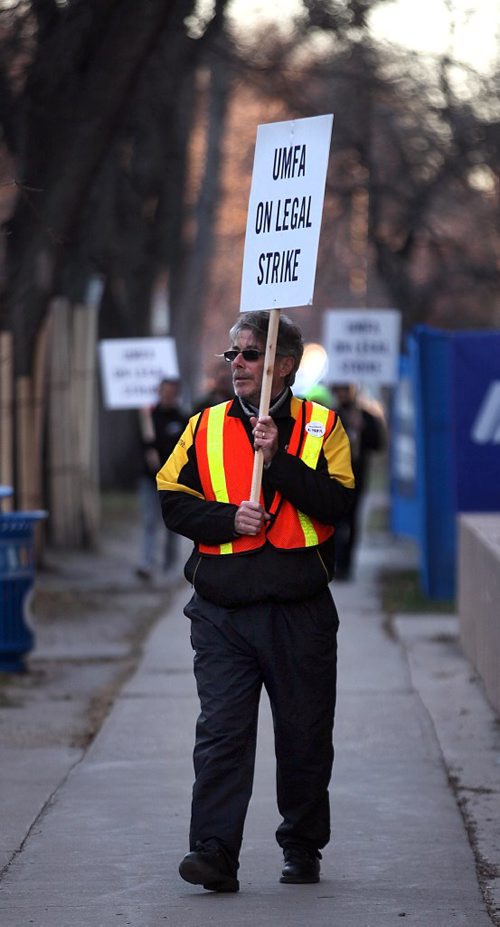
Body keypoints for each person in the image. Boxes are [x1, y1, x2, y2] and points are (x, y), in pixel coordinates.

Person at [156, 311, 355, 892]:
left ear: (282, 365)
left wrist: (281, 463)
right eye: (232, 355)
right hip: (223, 614)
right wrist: (227, 519)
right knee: (221, 734)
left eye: (248, 354)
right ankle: (214, 852)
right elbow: (171, 497)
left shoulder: (323, 425)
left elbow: (337, 504)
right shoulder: (204, 425)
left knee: (304, 735)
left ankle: (301, 846)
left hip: (299, 612)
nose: (236, 364)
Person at [330, 383, 387, 580]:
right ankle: (335, 562)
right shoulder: (330, 415)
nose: (343, 394)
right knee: (335, 523)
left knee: (352, 522)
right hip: (333, 478)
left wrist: (364, 428)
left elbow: (378, 444)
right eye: (340, 390)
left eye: (346, 389)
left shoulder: (365, 415)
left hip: (358, 477)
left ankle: (347, 565)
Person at [135, 378, 187, 580]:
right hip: (149, 480)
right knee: (149, 522)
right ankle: (147, 564)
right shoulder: (149, 417)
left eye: (171, 391)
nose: (167, 395)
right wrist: (148, 450)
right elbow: (141, 444)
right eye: (164, 391)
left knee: (172, 525)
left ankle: (170, 567)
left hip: (173, 482)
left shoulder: (182, 419)